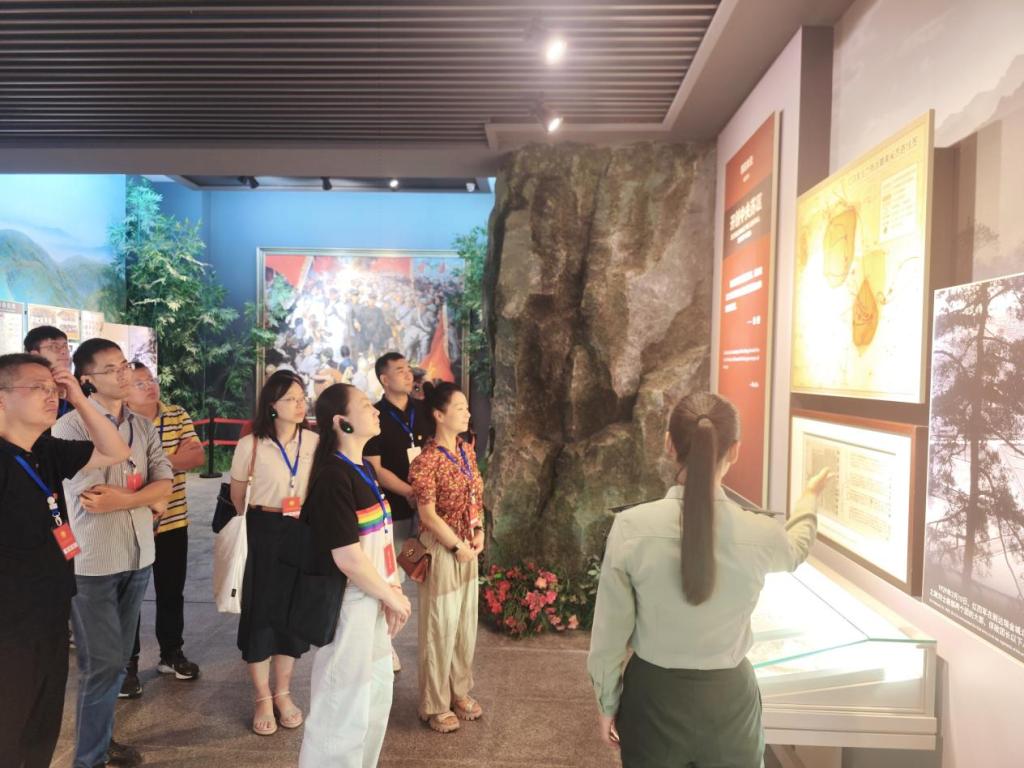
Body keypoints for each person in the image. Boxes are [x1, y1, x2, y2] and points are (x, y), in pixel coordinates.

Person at [586, 392, 830, 768]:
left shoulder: (631, 528)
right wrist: (809, 498)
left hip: (652, 698)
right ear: (735, 451)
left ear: (669, 444)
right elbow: (795, 550)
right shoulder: (762, 533)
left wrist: (607, 704)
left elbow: (609, 636)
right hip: (730, 704)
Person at [0, 352, 130, 768]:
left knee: (42, 727)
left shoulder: (46, 449)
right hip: (9, 626)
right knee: (9, 730)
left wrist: (77, 397)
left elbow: (115, 450)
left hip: (52, 611)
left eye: (52, 387)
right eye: (37, 387)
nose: (50, 395)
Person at [52, 339, 174, 768]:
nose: (124, 375)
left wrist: (130, 499)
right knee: (101, 664)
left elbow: (165, 484)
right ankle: (88, 759)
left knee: (118, 661)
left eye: (124, 365)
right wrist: (144, 498)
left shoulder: (141, 425)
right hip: (93, 562)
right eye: (112, 369)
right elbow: (91, 498)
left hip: (138, 556)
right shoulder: (69, 429)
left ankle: (101, 743)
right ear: (86, 380)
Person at [298, 383, 413, 767]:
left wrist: (391, 589)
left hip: (373, 600)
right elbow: (348, 557)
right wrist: (392, 595)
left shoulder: (362, 469)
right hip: (349, 606)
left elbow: (378, 543)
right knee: (341, 711)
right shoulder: (334, 476)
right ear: (341, 422)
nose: (375, 410)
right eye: (365, 405)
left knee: (374, 701)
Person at [230, 370, 317, 736]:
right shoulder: (251, 444)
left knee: (291, 614)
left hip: (300, 531)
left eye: (302, 398)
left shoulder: (314, 441)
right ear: (272, 405)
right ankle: (262, 697)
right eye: (291, 399)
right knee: (261, 613)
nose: (300, 405)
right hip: (262, 531)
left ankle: (283, 692)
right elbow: (237, 496)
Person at [118, 362, 206, 699]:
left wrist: (151, 463)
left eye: (151, 380)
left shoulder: (176, 414)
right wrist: (171, 459)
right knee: (130, 598)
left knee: (171, 592)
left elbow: (196, 457)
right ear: (125, 391)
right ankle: (127, 665)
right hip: (131, 523)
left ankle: (171, 653)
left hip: (174, 521)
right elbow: (121, 469)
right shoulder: (118, 421)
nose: (150, 386)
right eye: (139, 383)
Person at [408, 381, 485, 734]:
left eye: (467, 407)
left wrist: (479, 530)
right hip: (442, 548)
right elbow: (427, 514)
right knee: (439, 627)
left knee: (465, 625)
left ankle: (460, 691)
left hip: (468, 544)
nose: (467, 413)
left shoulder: (467, 451)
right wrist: (456, 546)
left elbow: (476, 497)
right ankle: (435, 703)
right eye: (460, 408)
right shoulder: (426, 461)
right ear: (439, 415)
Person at [365, 352, 432, 673]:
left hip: (428, 511)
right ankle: (385, 643)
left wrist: (426, 496)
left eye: (409, 370)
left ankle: (432, 641)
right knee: (392, 577)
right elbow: (376, 469)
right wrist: (409, 492)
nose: (408, 375)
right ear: (384, 379)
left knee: (427, 573)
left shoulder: (424, 411)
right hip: (394, 510)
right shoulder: (375, 416)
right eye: (400, 370)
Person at [23, 325, 75, 417]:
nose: (64, 351)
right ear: (35, 355)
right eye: (54, 347)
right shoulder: (24, 390)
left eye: (65, 346)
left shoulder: (73, 387)